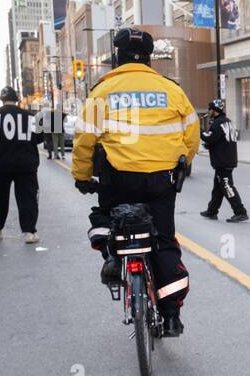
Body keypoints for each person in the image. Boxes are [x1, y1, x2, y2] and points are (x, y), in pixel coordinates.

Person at [71, 28, 199, 338]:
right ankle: (171, 317)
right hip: (161, 180)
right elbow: (192, 135)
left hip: (119, 178)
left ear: (118, 57)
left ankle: (115, 260)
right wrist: (182, 161)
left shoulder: (103, 91)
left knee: (110, 219)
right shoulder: (171, 89)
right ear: (149, 58)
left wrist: (81, 175)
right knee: (164, 240)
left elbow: (84, 140)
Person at [0, 86, 43, 243]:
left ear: (1, 99)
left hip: (0, 165)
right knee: (28, 198)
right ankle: (29, 232)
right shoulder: (31, 117)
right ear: (17, 99)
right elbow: (39, 138)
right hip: (26, 165)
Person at [199, 98, 248, 223]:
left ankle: (240, 212)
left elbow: (209, 138)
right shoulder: (227, 122)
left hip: (223, 161)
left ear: (214, 110)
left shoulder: (217, 124)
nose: (208, 111)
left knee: (226, 186)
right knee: (218, 187)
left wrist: (199, 131)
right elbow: (220, 140)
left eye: (209, 109)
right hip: (227, 159)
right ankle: (212, 211)